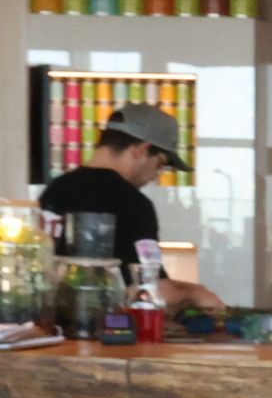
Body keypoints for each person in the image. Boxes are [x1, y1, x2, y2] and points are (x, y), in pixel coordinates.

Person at [35, 101, 219, 309]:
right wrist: (197, 294)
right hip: (107, 330)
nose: (154, 177)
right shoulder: (133, 204)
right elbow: (149, 289)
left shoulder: (55, 191)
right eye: (159, 165)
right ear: (141, 150)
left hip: (51, 329)